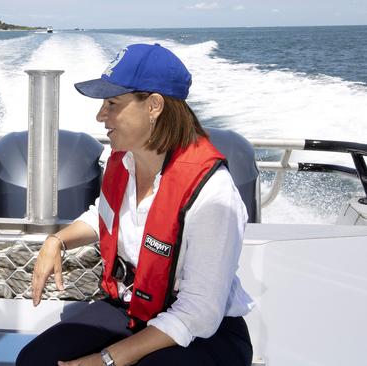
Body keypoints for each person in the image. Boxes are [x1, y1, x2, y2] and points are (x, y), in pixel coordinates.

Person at [17, 44, 254, 366]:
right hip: (132, 306)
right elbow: (104, 215)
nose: (101, 115)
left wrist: (107, 359)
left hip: (203, 331)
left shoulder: (213, 193)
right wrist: (56, 240)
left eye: (112, 103)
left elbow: (199, 313)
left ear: (154, 105)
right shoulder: (125, 162)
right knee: (36, 361)